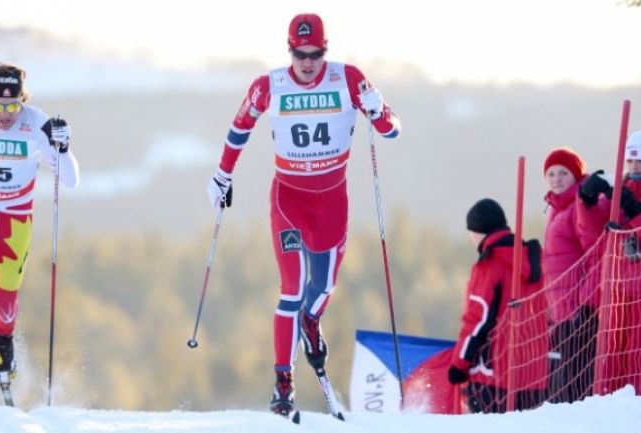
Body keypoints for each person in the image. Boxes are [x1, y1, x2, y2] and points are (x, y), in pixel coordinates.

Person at [206, 13, 401, 416]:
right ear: (289, 49)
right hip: (289, 201)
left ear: (325, 51)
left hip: (332, 203)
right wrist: (222, 175)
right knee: (292, 287)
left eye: (315, 54)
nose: (307, 62)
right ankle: (283, 385)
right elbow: (238, 128)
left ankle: (312, 322)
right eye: (300, 53)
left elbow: (392, 130)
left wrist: (379, 109)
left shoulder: (348, 79)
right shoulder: (268, 85)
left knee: (324, 287)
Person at [0, 62, 79, 384]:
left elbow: (70, 180)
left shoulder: (36, 123)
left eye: (13, 105)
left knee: (5, 296)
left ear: (23, 100)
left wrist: (64, 149)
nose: (5, 114)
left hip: (15, 215)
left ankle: (3, 346)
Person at [448, 198, 547, 413]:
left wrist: (459, 364)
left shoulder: (489, 265)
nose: (471, 239)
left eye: (471, 233)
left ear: (479, 232)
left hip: (493, 376)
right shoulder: (537, 261)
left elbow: (477, 320)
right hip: (535, 375)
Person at [576, 129, 641, 396]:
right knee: (612, 352)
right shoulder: (621, 189)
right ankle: (607, 403)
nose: (634, 166)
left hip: (640, 289)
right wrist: (587, 201)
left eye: (640, 161)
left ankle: (637, 405)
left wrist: (638, 214)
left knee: (638, 354)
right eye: (630, 161)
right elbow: (592, 234)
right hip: (617, 284)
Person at [542, 147, 599, 403]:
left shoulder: (579, 206)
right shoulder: (555, 208)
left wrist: (585, 303)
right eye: (551, 174)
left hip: (579, 309)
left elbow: (594, 255)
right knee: (562, 384)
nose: (556, 179)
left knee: (574, 384)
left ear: (576, 175)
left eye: (563, 173)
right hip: (560, 310)